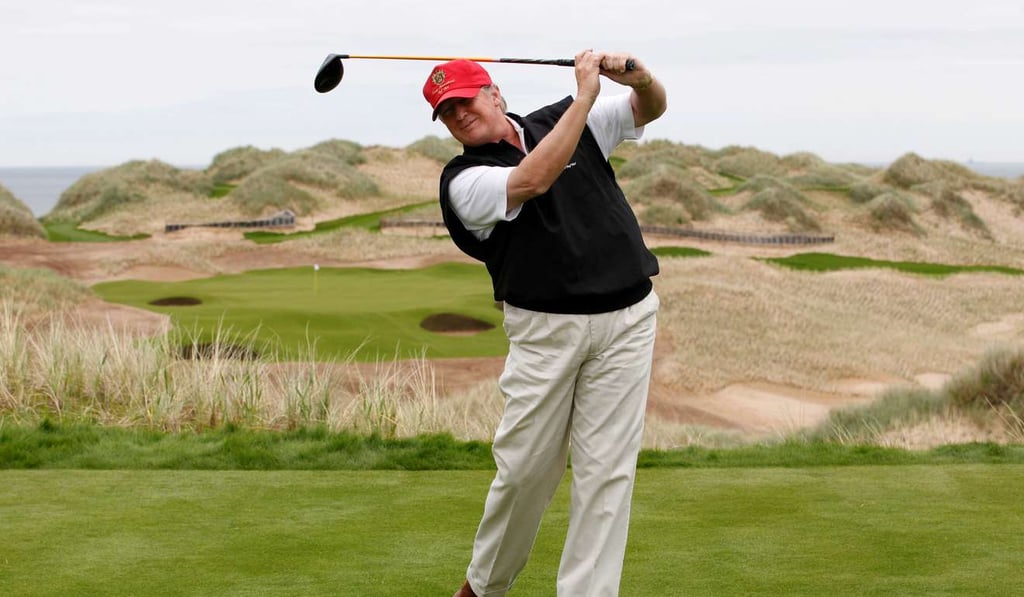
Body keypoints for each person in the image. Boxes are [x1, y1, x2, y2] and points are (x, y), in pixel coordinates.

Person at [422, 49, 667, 597]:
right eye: (446, 112)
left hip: (628, 321)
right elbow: (533, 178)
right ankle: (485, 586)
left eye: (464, 101)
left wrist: (640, 78)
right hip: (545, 332)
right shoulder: (463, 180)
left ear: (495, 94)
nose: (459, 115)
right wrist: (585, 96)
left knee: (607, 473)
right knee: (525, 471)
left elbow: (649, 108)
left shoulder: (562, 118)